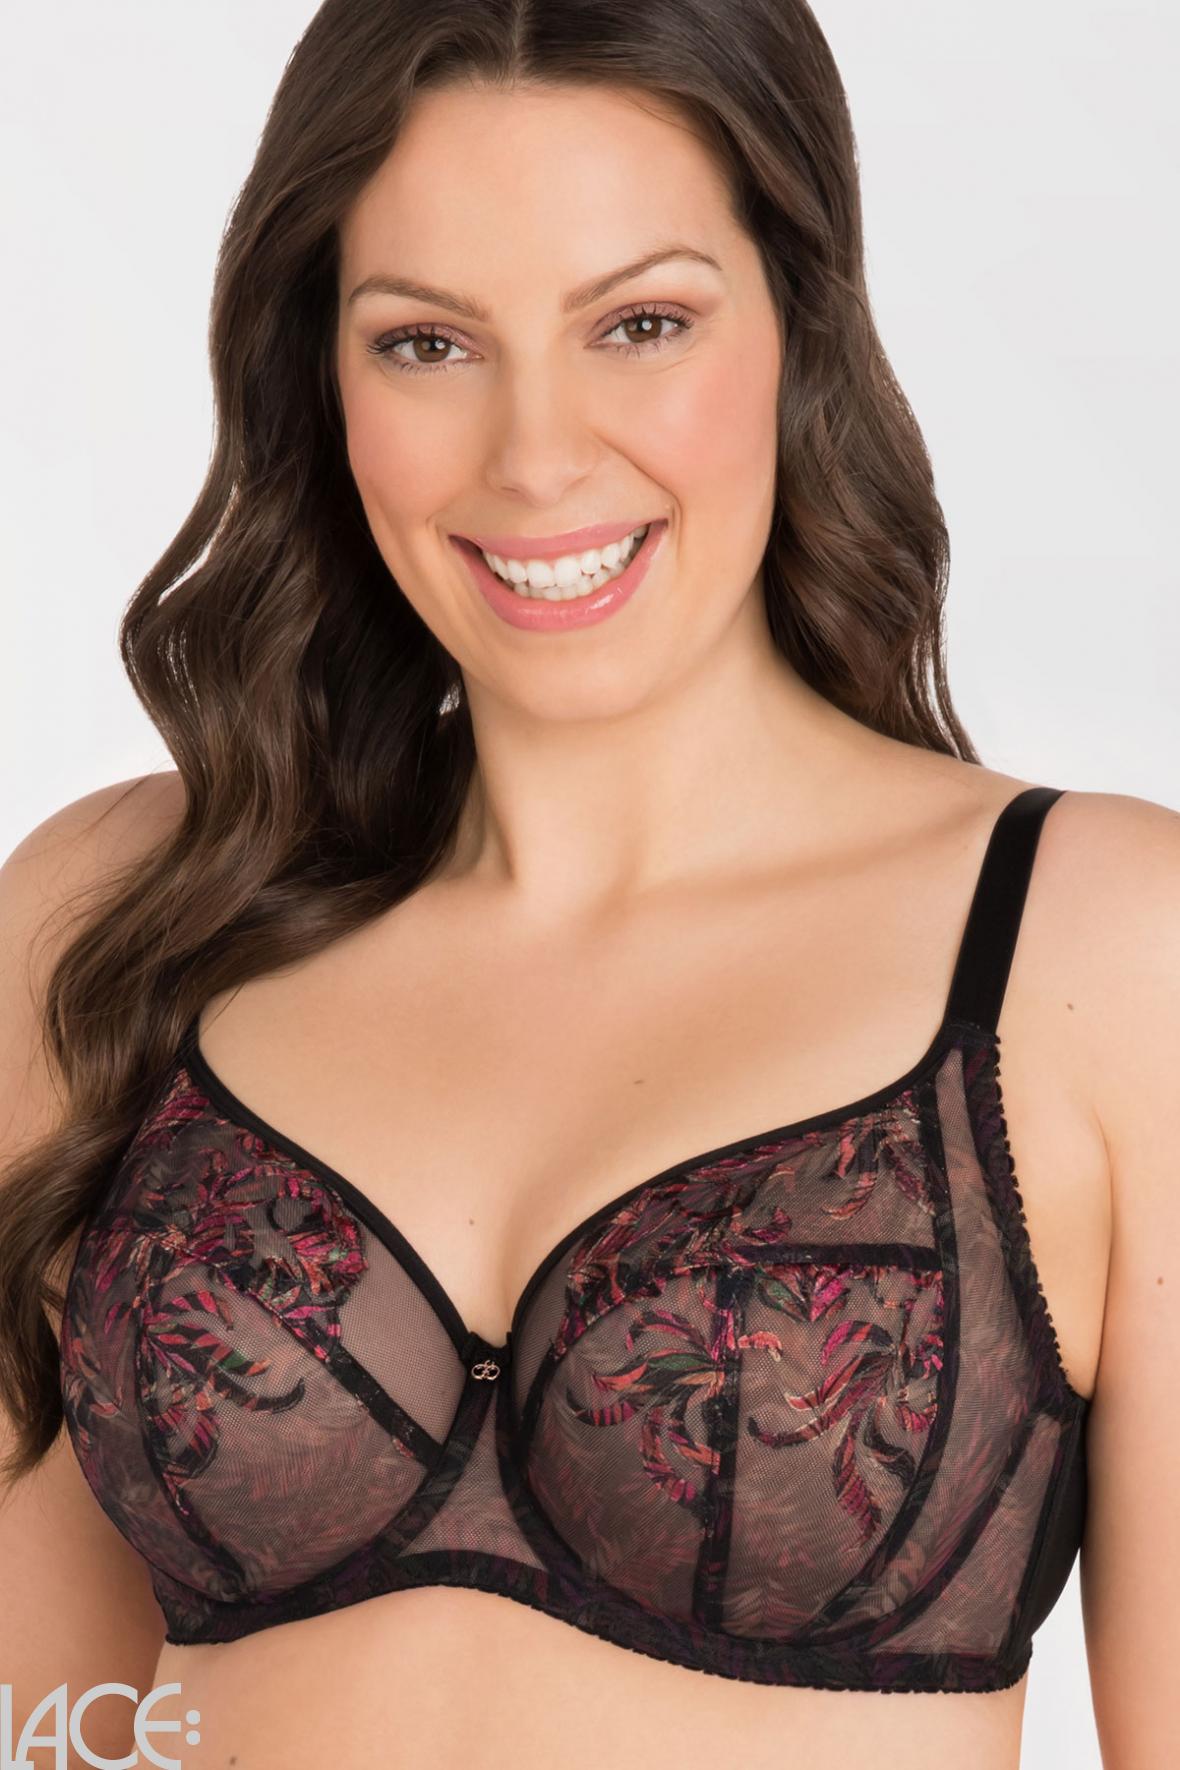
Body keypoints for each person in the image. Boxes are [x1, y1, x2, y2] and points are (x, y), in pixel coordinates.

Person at [1, 2, 1176, 1765]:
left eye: (640, 324)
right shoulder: (118, 921)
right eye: (427, 343)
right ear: (318, 368)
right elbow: (49, 1724)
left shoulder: (1099, 950)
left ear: (799, 324)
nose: (537, 457)